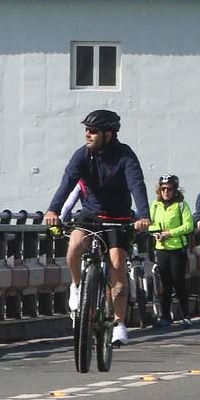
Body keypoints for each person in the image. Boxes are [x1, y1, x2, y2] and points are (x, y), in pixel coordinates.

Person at [44, 109, 152, 348]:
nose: (87, 135)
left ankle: (119, 323)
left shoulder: (125, 156)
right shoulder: (82, 155)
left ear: (109, 134)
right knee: (74, 245)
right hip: (90, 215)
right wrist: (52, 210)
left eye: (93, 131)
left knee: (117, 267)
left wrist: (144, 215)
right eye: (86, 130)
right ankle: (76, 285)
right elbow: (67, 182)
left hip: (119, 217)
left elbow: (137, 185)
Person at [149, 174, 196, 325]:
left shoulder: (181, 205)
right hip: (161, 248)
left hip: (177, 249)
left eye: (169, 189)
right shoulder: (155, 205)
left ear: (175, 190)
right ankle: (165, 317)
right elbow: (149, 223)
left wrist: (169, 233)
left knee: (179, 282)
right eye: (163, 189)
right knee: (164, 284)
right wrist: (156, 232)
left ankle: (186, 315)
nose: (166, 192)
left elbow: (188, 226)